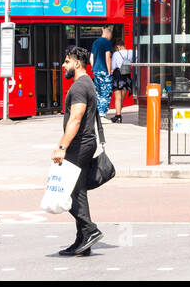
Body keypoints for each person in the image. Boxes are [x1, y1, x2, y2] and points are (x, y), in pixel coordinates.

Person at [51, 46, 103, 256]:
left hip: (79, 145)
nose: (63, 66)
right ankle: (83, 240)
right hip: (85, 143)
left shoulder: (80, 87)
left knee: (68, 190)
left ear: (77, 63)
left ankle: (90, 230)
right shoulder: (87, 82)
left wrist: (62, 146)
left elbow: (76, 118)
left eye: (66, 61)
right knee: (78, 191)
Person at [90, 25, 114, 116]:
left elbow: (91, 58)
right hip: (104, 70)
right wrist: (109, 71)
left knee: (98, 92)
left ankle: (98, 112)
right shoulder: (107, 42)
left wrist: (94, 67)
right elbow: (108, 57)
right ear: (108, 34)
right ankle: (102, 113)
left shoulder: (95, 42)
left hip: (96, 70)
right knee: (106, 92)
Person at [109, 41, 133, 123]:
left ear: (118, 46)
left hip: (118, 75)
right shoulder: (130, 52)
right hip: (127, 75)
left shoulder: (116, 54)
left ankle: (118, 116)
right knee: (122, 98)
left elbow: (113, 66)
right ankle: (117, 115)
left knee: (117, 98)